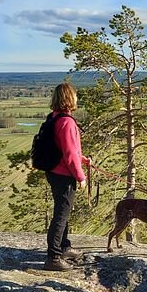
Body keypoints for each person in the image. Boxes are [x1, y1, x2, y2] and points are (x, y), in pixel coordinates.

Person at [44, 82, 90, 271]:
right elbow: (70, 155)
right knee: (61, 215)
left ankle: (64, 247)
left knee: (64, 211)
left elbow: (66, 149)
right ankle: (53, 257)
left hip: (54, 171)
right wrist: (81, 177)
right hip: (64, 175)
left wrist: (83, 159)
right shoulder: (67, 122)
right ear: (70, 98)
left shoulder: (54, 118)